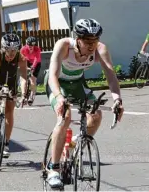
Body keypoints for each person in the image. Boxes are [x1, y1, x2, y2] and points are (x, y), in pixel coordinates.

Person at [44, 18, 124, 188]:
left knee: (96, 115)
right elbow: (53, 75)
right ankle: (54, 169)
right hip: (57, 84)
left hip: (77, 83)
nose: (92, 46)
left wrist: (117, 99)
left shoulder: (100, 49)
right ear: (77, 39)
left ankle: (72, 144)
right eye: (87, 41)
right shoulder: (64, 46)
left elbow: (111, 75)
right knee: (65, 117)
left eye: (95, 41)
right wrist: (59, 97)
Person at [20, 36, 41, 104]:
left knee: (32, 79)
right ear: (26, 44)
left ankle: (31, 95)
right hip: (27, 62)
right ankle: (23, 95)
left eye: (32, 45)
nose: (31, 47)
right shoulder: (23, 49)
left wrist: (33, 68)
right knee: (23, 78)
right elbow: (21, 59)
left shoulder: (37, 49)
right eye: (29, 45)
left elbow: (36, 59)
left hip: (36, 63)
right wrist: (25, 67)